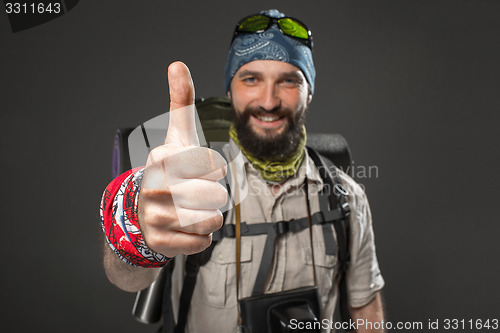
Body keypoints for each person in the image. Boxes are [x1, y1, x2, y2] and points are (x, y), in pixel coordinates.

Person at [101, 9, 385, 333]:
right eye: (251, 79)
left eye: (289, 81)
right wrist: (138, 226)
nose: (268, 101)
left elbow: (365, 305)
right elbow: (124, 277)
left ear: (310, 92)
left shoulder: (347, 197)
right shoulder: (191, 183)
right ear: (230, 90)